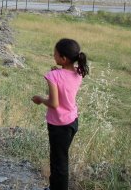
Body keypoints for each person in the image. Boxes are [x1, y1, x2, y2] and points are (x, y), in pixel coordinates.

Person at [32, 38, 88, 190]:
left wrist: (40, 99)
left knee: (59, 162)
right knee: (59, 158)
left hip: (59, 125)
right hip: (72, 121)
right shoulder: (78, 73)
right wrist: (59, 71)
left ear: (63, 58)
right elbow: (66, 86)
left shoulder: (53, 76)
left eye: (55, 54)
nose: (53, 56)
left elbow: (54, 104)